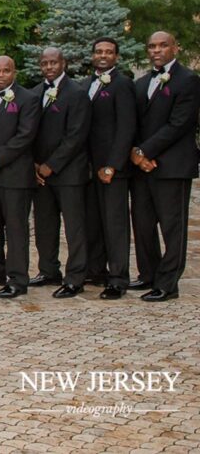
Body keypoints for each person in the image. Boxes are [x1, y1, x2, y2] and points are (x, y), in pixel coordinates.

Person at [129, 31, 200, 302]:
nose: (156, 50)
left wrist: (144, 151)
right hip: (142, 166)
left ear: (175, 48)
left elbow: (180, 124)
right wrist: (137, 154)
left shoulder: (189, 80)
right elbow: (134, 122)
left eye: (162, 45)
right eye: (152, 46)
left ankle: (168, 283)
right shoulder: (142, 82)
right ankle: (149, 273)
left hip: (173, 165)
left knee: (172, 226)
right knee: (143, 224)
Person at [0, 56, 41, 300]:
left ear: (14, 72)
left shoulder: (29, 99)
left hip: (14, 175)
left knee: (15, 229)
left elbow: (25, 136)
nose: (1, 75)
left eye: (6, 70)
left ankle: (17, 279)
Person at [30, 47, 91, 299]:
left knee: (74, 227)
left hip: (69, 172)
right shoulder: (34, 93)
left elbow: (76, 136)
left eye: (53, 62)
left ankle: (76, 277)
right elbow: (29, 132)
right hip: (40, 173)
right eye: (44, 63)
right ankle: (48, 269)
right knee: (44, 224)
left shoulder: (77, 94)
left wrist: (51, 164)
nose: (49, 67)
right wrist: (34, 164)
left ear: (63, 63)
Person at [83, 38, 136, 300]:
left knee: (115, 224)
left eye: (108, 52)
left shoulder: (123, 84)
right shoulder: (86, 84)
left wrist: (113, 165)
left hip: (110, 168)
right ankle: (96, 270)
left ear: (116, 56)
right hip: (88, 167)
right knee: (93, 222)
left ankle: (118, 278)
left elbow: (126, 127)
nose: (103, 56)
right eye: (99, 52)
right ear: (92, 55)